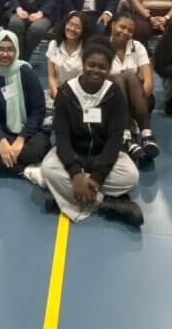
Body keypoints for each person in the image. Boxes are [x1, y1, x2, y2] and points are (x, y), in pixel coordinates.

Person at [41, 41, 143, 226]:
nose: (96, 70)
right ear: (83, 64)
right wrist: (74, 174)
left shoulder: (115, 94)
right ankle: (106, 203)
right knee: (48, 168)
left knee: (131, 177)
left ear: (109, 69)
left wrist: (96, 178)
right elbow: (62, 137)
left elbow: (115, 139)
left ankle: (61, 195)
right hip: (73, 153)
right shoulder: (65, 93)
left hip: (101, 155)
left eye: (102, 67)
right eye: (91, 65)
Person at [0, 32, 50, 180]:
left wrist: (21, 139)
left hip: (27, 132)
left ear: (16, 51)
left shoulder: (26, 73)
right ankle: (24, 170)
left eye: (10, 49)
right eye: (0, 49)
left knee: (38, 148)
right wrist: (1, 140)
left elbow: (38, 111)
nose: (5, 54)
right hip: (1, 132)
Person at [108, 13, 159, 160]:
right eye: (122, 27)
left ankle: (146, 135)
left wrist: (134, 102)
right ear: (113, 26)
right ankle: (126, 137)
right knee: (118, 77)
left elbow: (149, 81)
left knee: (131, 76)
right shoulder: (102, 46)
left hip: (139, 100)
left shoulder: (138, 47)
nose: (125, 32)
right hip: (112, 102)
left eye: (130, 30)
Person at [46, 11, 92, 101]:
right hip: (58, 92)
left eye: (77, 27)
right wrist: (57, 98)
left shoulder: (87, 50)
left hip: (80, 96)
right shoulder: (54, 44)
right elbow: (52, 77)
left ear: (84, 30)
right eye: (70, 24)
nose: (72, 29)